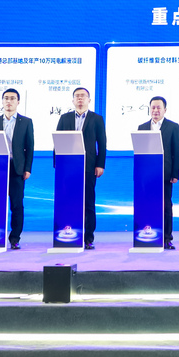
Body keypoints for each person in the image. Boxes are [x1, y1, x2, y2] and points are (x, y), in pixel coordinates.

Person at [57, 87, 106, 250]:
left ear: (89, 100)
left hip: (89, 167)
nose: (80, 98)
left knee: (88, 203)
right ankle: (69, 233)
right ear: (73, 100)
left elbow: (102, 143)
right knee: (68, 201)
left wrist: (100, 164)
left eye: (83, 96)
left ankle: (88, 238)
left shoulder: (97, 119)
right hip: (68, 167)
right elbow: (57, 142)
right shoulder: (64, 118)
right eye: (77, 96)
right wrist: (58, 164)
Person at [0, 88, 33, 250]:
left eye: (12, 98)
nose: (9, 101)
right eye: (6, 98)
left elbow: (30, 147)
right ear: (2, 101)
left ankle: (15, 238)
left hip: (17, 168)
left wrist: (27, 168)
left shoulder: (26, 122)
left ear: (18, 102)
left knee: (16, 205)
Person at [138, 95, 179, 250]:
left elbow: (176, 151)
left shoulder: (173, 127)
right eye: (153, 107)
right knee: (148, 205)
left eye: (158, 107)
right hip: (147, 175)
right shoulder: (142, 127)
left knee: (166, 206)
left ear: (165, 109)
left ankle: (167, 238)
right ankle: (148, 235)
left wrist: (175, 173)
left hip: (165, 174)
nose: (155, 110)